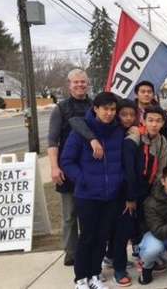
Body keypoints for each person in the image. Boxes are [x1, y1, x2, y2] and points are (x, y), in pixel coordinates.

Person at [60, 92, 126, 289]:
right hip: (88, 195)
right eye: (105, 109)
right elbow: (67, 161)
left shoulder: (117, 131)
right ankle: (80, 278)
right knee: (87, 237)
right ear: (95, 109)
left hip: (111, 196)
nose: (109, 113)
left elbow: (122, 160)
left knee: (102, 237)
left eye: (113, 109)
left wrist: (119, 180)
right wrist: (83, 180)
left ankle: (95, 274)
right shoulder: (81, 132)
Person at [47, 68, 92, 267]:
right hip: (67, 168)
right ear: (69, 84)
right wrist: (54, 167)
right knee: (70, 214)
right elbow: (52, 139)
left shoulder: (95, 106)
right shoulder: (61, 108)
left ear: (87, 83)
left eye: (83, 82)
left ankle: (90, 246)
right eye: (76, 82)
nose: (80, 85)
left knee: (90, 212)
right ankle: (71, 251)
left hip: (91, 167)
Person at [123, 106, 167, 272]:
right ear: (143, 120)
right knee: (132, 222)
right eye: (150, 120)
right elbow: (128, 170)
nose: (154, 124)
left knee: (147, 221)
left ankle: (149, 253)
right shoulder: (134, 139)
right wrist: (130, 197)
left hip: (150, 188)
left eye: (158, 121)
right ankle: (138, 255)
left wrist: (156, 194)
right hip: (132, 188)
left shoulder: (162, 141)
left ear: (163, 122)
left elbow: (161, 170)